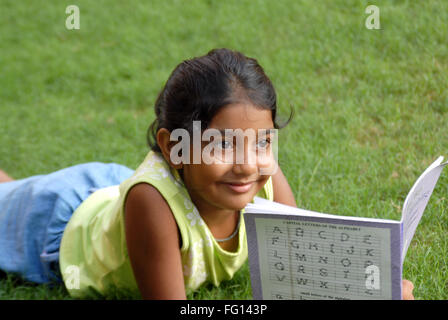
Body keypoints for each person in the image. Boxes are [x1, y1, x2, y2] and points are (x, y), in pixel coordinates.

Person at [0, 48, 414, 300]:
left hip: (109, 191)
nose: (248, 164)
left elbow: (298, 269)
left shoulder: (261, 176)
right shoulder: (152, 206)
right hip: (59, 226)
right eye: (223, 143)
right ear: (172, 148)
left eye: (262, 142)